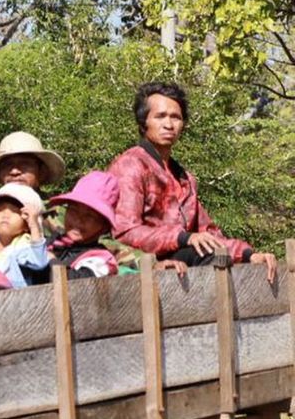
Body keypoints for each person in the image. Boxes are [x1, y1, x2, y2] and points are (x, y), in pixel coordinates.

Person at [108, 82, 277, 281]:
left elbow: (209, 233)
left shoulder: (184, 178)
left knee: (222, 256)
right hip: (141, 267)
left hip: (182, 263)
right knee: (205, 254)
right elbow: (124, 232)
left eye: (176, 117)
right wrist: (182, 237)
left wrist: (249, 255)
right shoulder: (131, 165)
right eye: (160, 116)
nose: (169, 124)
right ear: (143, 122)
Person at [47, 171, 187, 279]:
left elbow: (74, 283)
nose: (78, 220)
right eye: (73, 211)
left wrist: (49, 260)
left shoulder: (101, 260)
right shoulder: (51, 243)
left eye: (90, 216)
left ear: (103, 226)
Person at [0, 131, 66, 192]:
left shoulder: (60, 214)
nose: (14, 171)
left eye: (25, 164)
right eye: (7, 165)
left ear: (42, 172)